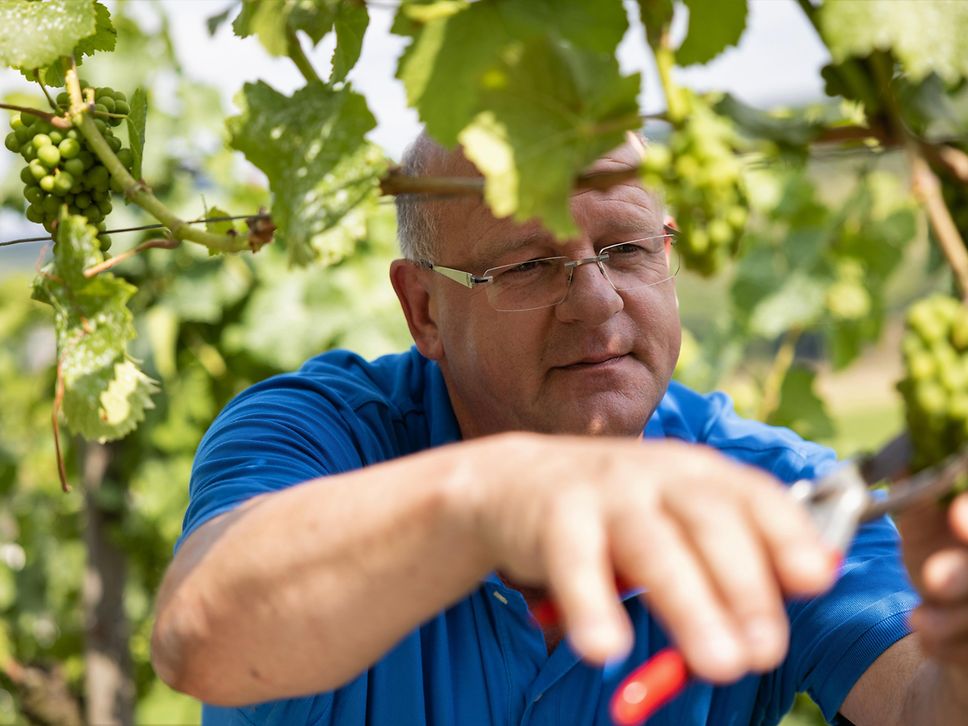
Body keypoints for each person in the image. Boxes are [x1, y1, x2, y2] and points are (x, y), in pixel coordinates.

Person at [151, 132, 968, 725]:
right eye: (530, 265)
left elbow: (918, 704)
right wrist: (495, 497)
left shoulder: (774, 487)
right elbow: (200, 638)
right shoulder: (314, 437)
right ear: (424, 310)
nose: (598, 301)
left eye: (624, 248)